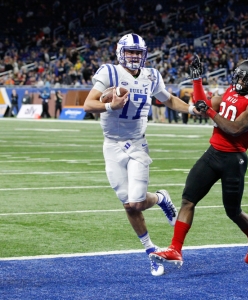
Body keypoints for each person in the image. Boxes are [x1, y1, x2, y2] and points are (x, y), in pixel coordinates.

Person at [83, 33, 201, 276]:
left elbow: (168, 100)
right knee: (128, 206)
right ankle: (151, 250)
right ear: (120, 52)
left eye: (138, 52)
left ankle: (159, 198)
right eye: (130, 52)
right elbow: (88, 104)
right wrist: (110, 106)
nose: (135, 56)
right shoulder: (109, 72)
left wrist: (190, 108)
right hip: (112, 145)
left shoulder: (151, 75)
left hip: (137, 144)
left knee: (136, 202)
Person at [150, 56, 248, 268]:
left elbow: (235, 128)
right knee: (188, 199)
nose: (238, 81)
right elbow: (202, 105)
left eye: (243, 78)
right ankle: (175, 249)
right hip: (213, 153)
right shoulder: (231, 92)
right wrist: (197, 80)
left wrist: (209, 111)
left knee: (232, 211)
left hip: (234, 159)